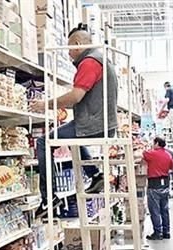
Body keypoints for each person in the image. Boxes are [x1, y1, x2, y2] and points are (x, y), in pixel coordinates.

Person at [32, 25, 118, 208]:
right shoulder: (102, 59)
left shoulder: (89, 62)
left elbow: (75, 96)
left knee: (42, 143)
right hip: (103, 123)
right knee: (70, 135)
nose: (68, 55)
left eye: (69, 48)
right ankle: (95, 174)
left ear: (77, 44)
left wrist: (45, 105)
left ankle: (49, 198)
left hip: (94, 124)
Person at [142, 136, 173, 240]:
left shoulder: (152, 153)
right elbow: (172, 167)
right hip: (165, 183)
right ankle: (166, 232)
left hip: (154, 184)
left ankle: (158, 232)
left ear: (157, 144)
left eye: (153, 143)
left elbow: (142, 153)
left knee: (155, 210)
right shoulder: (168, 154)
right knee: (164, 209)